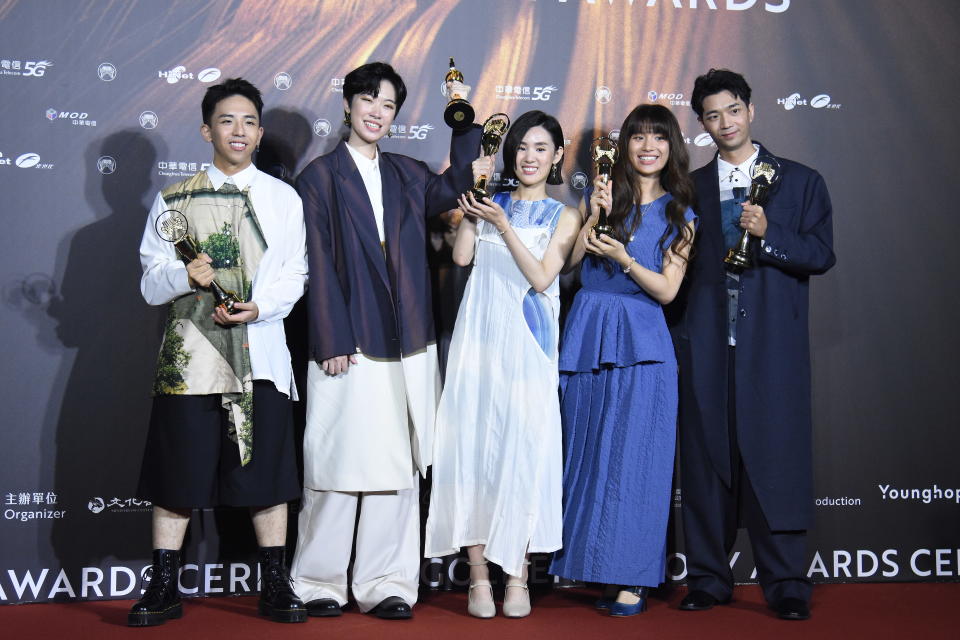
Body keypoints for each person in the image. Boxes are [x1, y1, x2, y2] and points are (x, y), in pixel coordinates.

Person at [289, 62, 484, 620]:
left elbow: (459, 182)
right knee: (337, 463)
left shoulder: (407, 172)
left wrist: (461, 117)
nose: (378, 112)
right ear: (348, 104)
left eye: (389, 105)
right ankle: (318, 583)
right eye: (369, 100)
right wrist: (328, 336)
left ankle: (387, 583)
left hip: (410, 343)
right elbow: (318, 264)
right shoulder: (319, 178)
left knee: (398, 466)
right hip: (346, 342)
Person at [131, 78, 308, 626]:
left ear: (260, 133)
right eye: (228, 120)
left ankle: (274, 583)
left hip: (261, 352)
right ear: (207, 129)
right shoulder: (174, 200)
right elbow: (149, 283)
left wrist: (258, 308)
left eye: (250, 122)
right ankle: (163, 584)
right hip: (191, 357)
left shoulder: (283, 198)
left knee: (268, 475)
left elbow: (296, 275)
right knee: (178, 473)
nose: (239, 131)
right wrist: (184, 274)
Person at [675, 68, 835, 621]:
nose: (725, 123)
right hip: (705, 343)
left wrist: (771, 234)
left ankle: (787, 581)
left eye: (733, 110)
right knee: (705, 461)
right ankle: (708, 577)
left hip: (773, 348)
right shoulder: (688, 187)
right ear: (702, 124)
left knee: (778, 458)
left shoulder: (801, 181)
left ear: (751, 110)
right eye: (712, 116)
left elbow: (820, 254)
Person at [425, 110, 582, 619]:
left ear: (557, 156)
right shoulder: (491, 203)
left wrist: (504, 225)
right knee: (471, 449)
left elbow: (540, 279)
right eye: (521, 148)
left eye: (541, 148)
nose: (530, 157)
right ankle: (476, 576)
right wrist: (476, 212)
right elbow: (463, 259)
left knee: (523, 451)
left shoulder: (565, 215)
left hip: (528, 345)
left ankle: (517, 572)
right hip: (478, 341)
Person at [548, 105, 696, 616]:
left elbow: (668, 291)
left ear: (671, 147)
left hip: (642, 345)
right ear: (625, 146)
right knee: (586, 454)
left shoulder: (681, 214)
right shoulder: (603, 199)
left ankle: (633, 582)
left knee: (638, 464)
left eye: (658, 137)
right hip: (588, 335)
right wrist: (593, 216)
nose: (648, 146)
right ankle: (594, 568)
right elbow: (566, 270)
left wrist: (625, 259)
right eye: (639, 137)